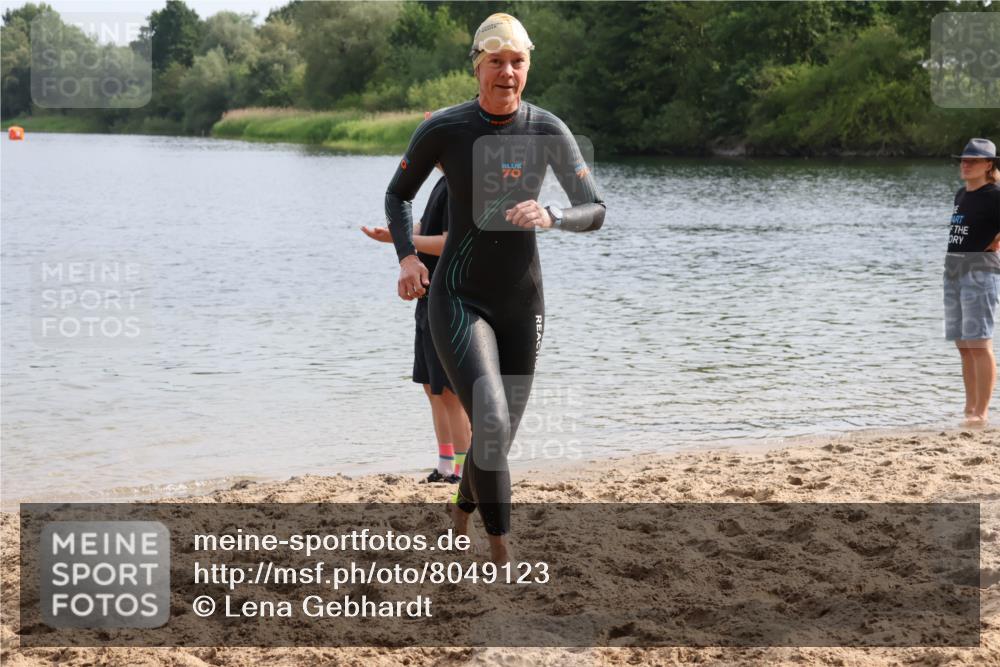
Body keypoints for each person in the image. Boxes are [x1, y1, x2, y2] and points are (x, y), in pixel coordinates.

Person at [384, 13, 606, 562]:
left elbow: (595, 208)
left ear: (528, 66)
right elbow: (397, 195)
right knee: (490, 413)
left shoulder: (547, 129)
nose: (507, 73)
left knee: (496, 435)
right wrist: (408, 257)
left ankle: (459, 517)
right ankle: (502, 554)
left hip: (521, 301)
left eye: (518, 62)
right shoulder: (447, 128)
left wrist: (554, 214)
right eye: (496, 62)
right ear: (478, 66)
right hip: (457, 295)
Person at [362, 165, 471, 483]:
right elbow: (427, 227)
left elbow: (451, 241)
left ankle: (465, 473)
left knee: (451, 392)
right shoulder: (442, 182)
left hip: (450, 297)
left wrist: (408, 241)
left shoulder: (462, 185)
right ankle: (445, 465)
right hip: (428, 296)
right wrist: (395, 238)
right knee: (431, 386)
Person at [944, 137, 1000, 427]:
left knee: (979, 342)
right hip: (954, 268)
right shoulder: (961, 194)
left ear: (988, 165)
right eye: (964, 160)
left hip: (980, 268)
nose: (965, 164)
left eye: (973, 160)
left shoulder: (995, 194)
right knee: (964, 344)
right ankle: (969, 409)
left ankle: (982, 412)